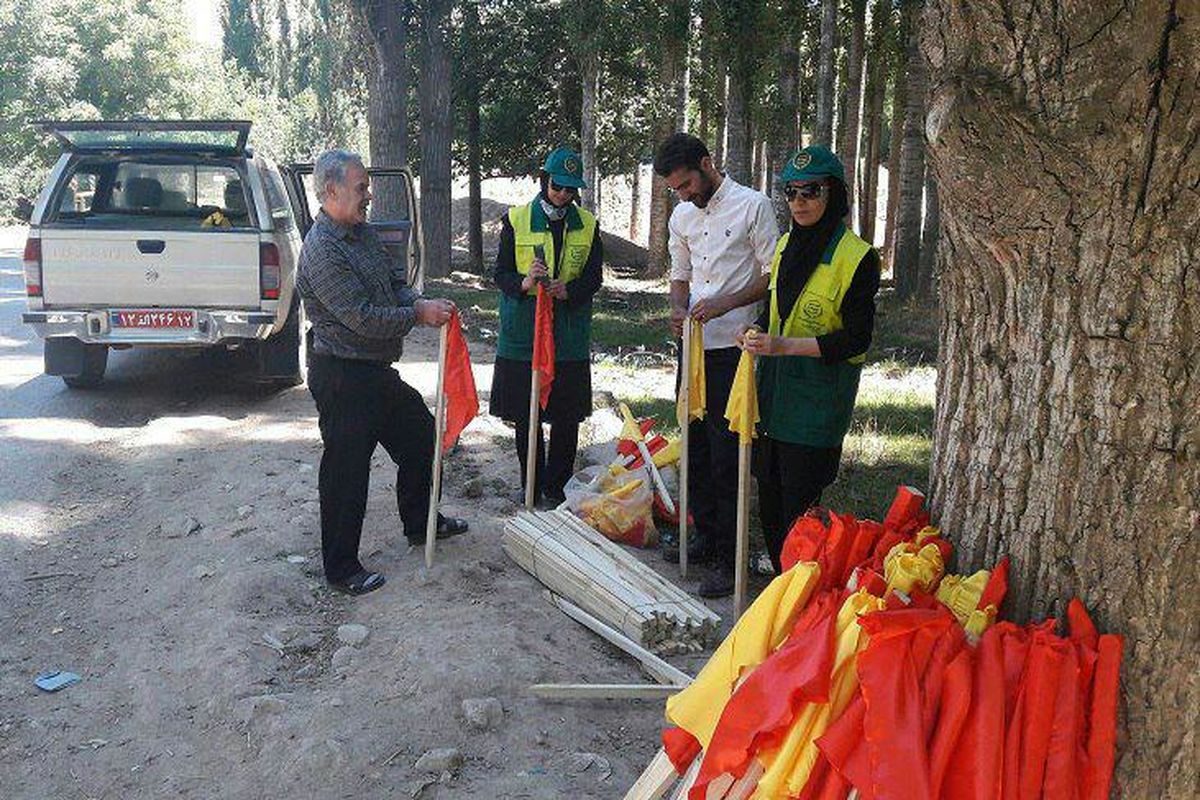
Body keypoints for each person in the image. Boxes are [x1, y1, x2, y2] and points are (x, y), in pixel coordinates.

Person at [297, 149, 469, 596]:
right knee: (346, 472)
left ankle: (420, 522)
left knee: (421, 438)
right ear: (331, 191)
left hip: (373, 371)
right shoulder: (321, 250)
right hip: (341, 374)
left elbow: (393, 282)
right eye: (361, 187)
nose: (368, 195)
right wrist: (417, 313)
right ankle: (341, 569)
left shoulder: (362, 233)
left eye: (367, 186)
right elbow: (363, 317)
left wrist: (414, 298)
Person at [738, 145, 881, 574]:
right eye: (791, 192)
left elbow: (856, 339)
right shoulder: (783, 247)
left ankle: (798, 595)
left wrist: (785, 346)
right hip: (773, 398)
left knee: (800, 509)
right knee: (769, 502)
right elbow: (776, 310)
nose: (799, 202)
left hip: (816, 405)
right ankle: (780, 591)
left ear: (833, 194)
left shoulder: (858, 258)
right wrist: (759, 332)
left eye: (810, 192)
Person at [655, 133, 779, 598]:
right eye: (676, 190)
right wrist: (677, 308)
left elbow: (772, 276)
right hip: (694, 348)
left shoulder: (753, 206)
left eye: (687, 184)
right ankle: (706, 536)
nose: (684, 195)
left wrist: (726, 303)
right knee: (698, 447)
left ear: (707, 164)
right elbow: (679, 274)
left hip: (737, 349)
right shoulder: (682, 216)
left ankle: (732, 557)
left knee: (729, 455)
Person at [490, 146, 604, 507]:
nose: (564, 195)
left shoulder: (587, 224)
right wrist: (525, 283)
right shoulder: (517, 219)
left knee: (566, 416)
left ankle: (557, 488)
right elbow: (501, 273)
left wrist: (568, 290)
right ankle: (531, 485)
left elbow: (594, 277)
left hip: (568, 334)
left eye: (571, 190)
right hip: (525, 334)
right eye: (558, 187)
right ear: (544, 180)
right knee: (528, 415)